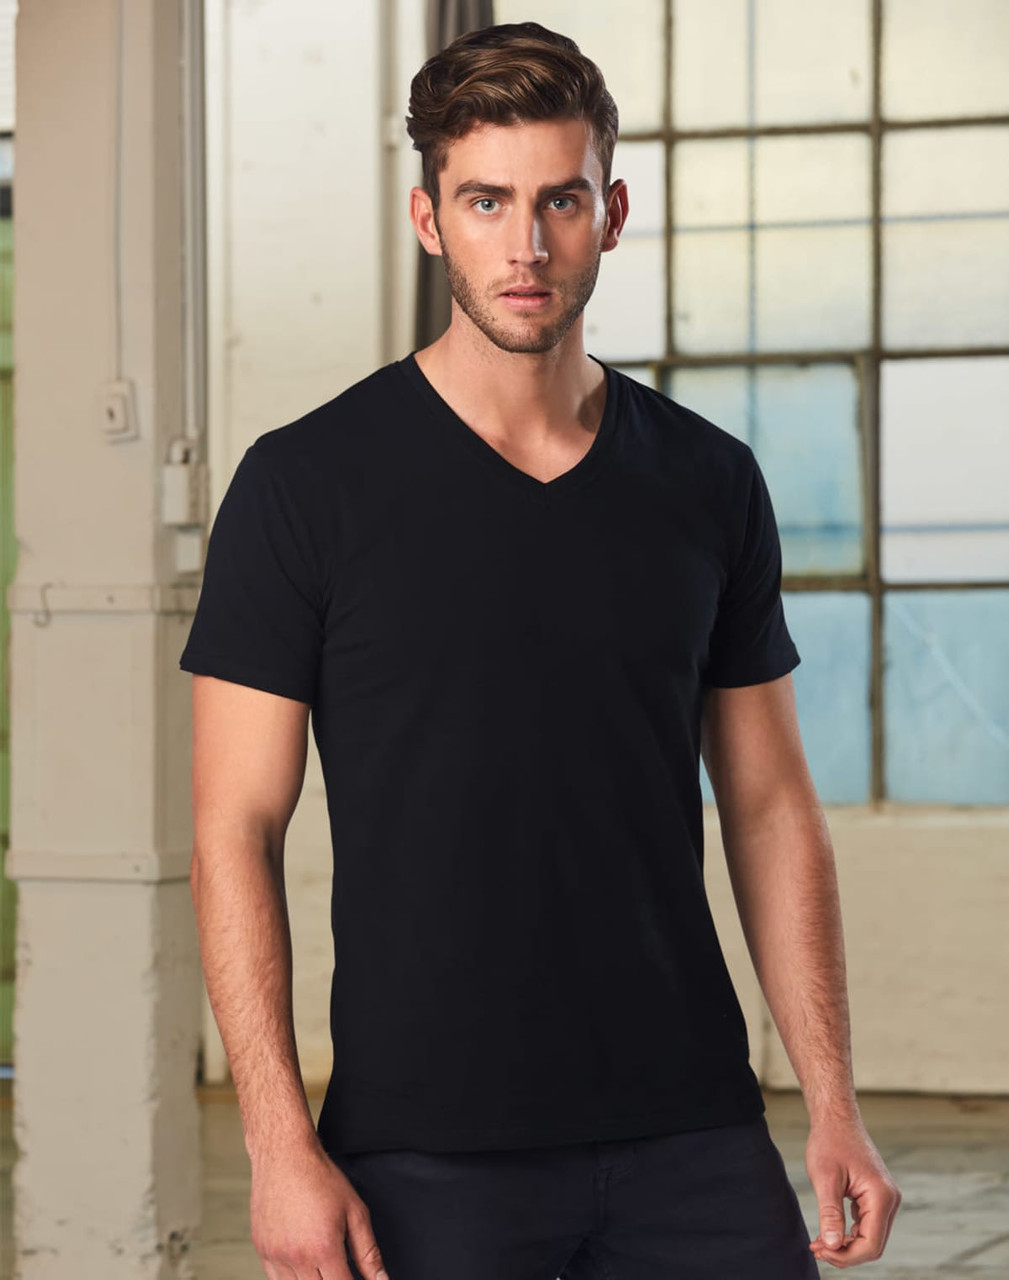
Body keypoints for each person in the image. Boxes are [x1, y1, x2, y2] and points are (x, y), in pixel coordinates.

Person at [181, 20, 902, 1280]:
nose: (525, 246)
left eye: (558, 200)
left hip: (693, 1130)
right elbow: (232, 826)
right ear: (427, 217)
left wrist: (833, 1097)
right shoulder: (305, 487)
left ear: (610, 210)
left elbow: (772, 803)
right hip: (422, 1150)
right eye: (486, 201)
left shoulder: (706, 481)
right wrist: (276, 1142)